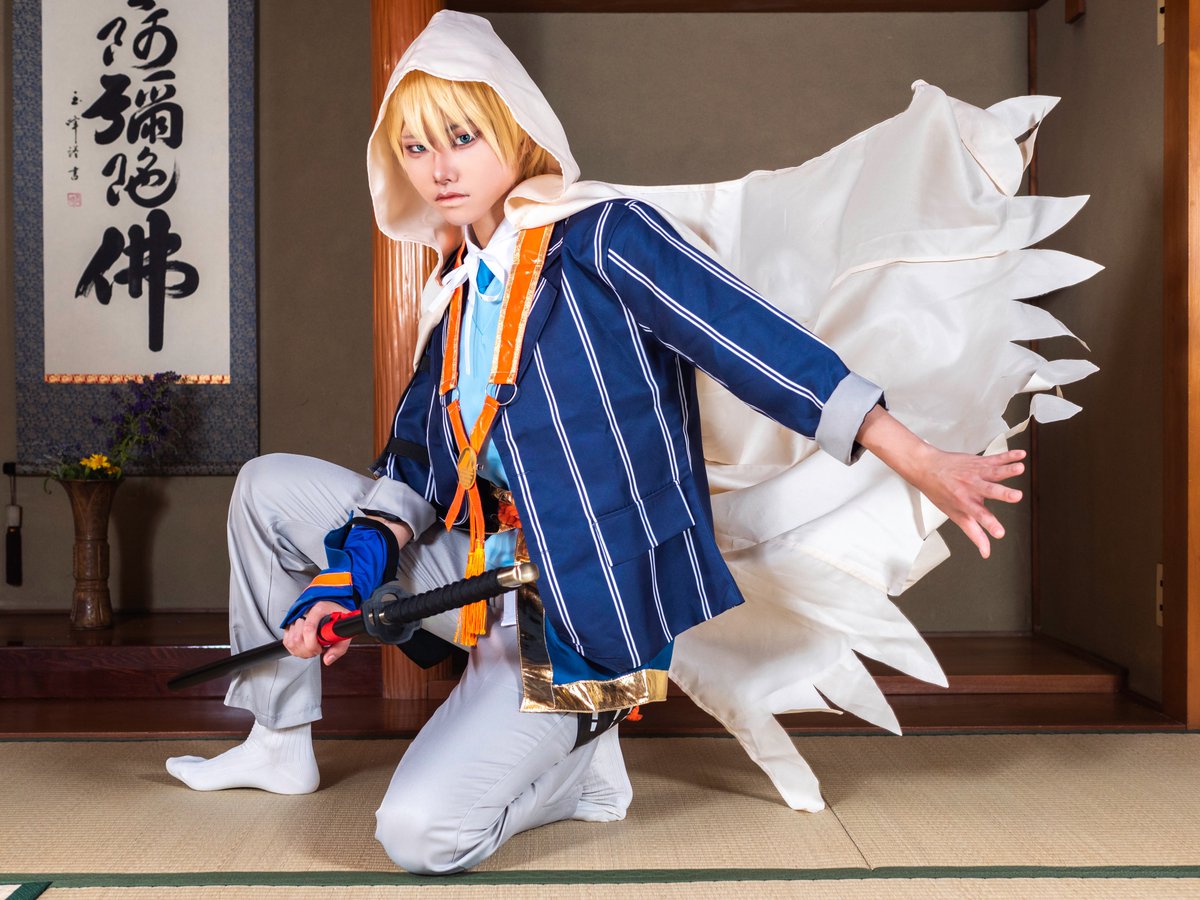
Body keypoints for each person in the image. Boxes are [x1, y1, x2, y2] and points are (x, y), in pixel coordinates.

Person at [167, 10, 1097, 874]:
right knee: (267, 485)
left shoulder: (603, 238)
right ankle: (277, 743)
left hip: (587, 615)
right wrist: (344, 580)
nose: (439, 166)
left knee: (421, 836)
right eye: (415, 147)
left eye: (461, 136)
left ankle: (580, 762)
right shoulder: (453, 303)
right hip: (478, 581)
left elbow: (753, 346)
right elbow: (410, 471)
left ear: (514, 131)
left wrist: (915, 455)